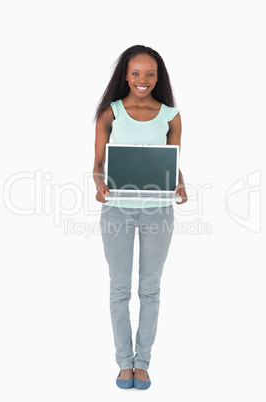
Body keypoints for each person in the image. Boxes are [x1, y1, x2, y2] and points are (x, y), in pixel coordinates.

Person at [93, 45, 187, 389]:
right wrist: (99, 183)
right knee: (119, 288)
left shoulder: (171, 115)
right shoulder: (111, 113)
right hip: (117, 207)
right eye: (135, 73)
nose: (142, 80)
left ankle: (142, 363)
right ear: (125, 75)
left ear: (158, 76)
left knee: (150, 289)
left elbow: (173, 163)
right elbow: (97, 166)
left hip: (158, 210)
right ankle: (123, 363)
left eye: (149, 73)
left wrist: (179, 186)